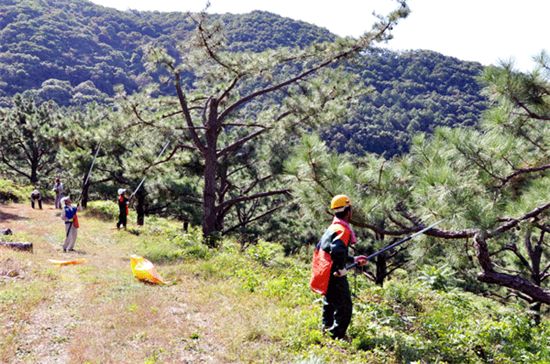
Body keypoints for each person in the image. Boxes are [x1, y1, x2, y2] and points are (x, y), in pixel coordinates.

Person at [310, 194, 367, 340]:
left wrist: (353, 259)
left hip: (324, 270)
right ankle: (336, 336)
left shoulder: (333, 227)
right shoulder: (343, 229)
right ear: (349, 211)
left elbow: (330, 250)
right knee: (344, 307)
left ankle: (326, 329)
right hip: (333, 271)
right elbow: (337, 251)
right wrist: (340, 269)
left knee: (330, 301)